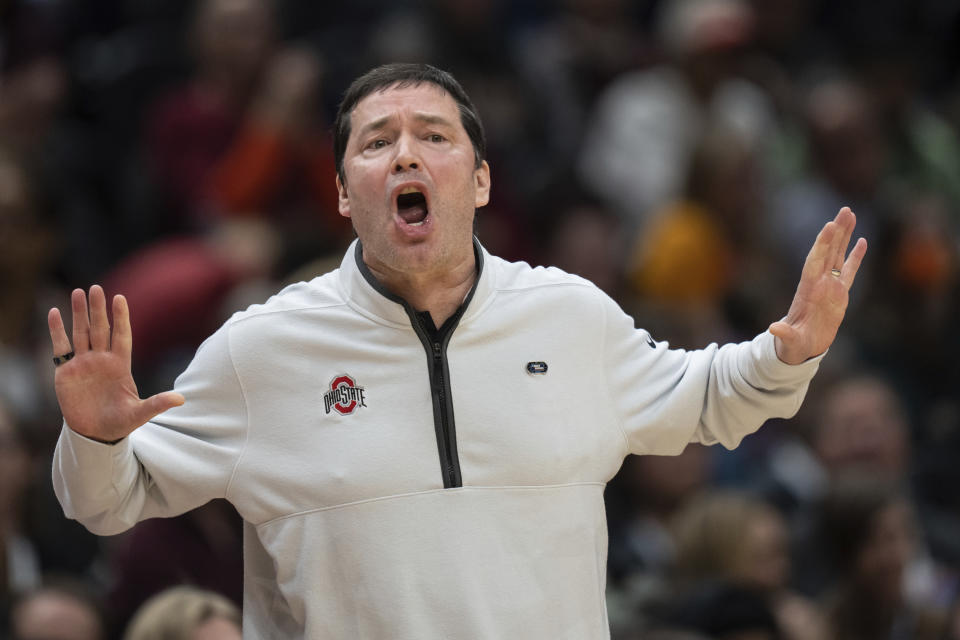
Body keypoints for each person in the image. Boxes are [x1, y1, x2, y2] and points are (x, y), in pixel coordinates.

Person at [47, 63, 867, 638]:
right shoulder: (261, 349)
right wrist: (95, 437)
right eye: (375, 143)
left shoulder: (570, 316)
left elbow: (708, 397)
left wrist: (786, 350)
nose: (405, 152)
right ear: (341, 193)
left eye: (433, 136)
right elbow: (108, 502)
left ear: (478, 180)